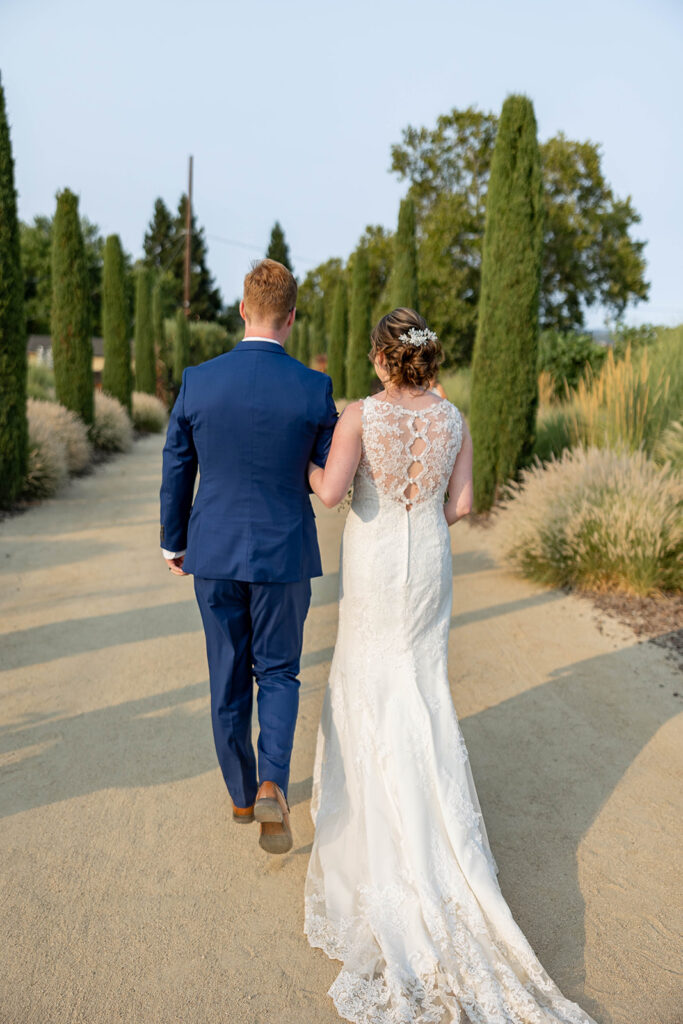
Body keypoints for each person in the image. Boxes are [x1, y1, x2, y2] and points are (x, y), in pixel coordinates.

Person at [303, 307, 598, 1023]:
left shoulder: (357, 417)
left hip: (374, 562)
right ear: (427, 359)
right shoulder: (454, 420)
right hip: (427, 563)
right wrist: (422, 499)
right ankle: (439, 842)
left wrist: (300, 460)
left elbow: (332, 491)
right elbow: (460, 505)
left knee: (368, 687)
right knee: (420, 691)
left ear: (380, 358)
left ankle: (378, 844)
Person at [159, 258, 338, 855]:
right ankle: (272, 785)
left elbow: (178, 462)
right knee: (279, 671)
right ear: (292, 317)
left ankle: (240, 794)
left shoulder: (198, 380)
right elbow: (329, 469)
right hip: (284, 550)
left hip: (213, 550)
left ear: (242, 309)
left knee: (227, 674)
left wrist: (173, 539)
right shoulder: (314, 389)